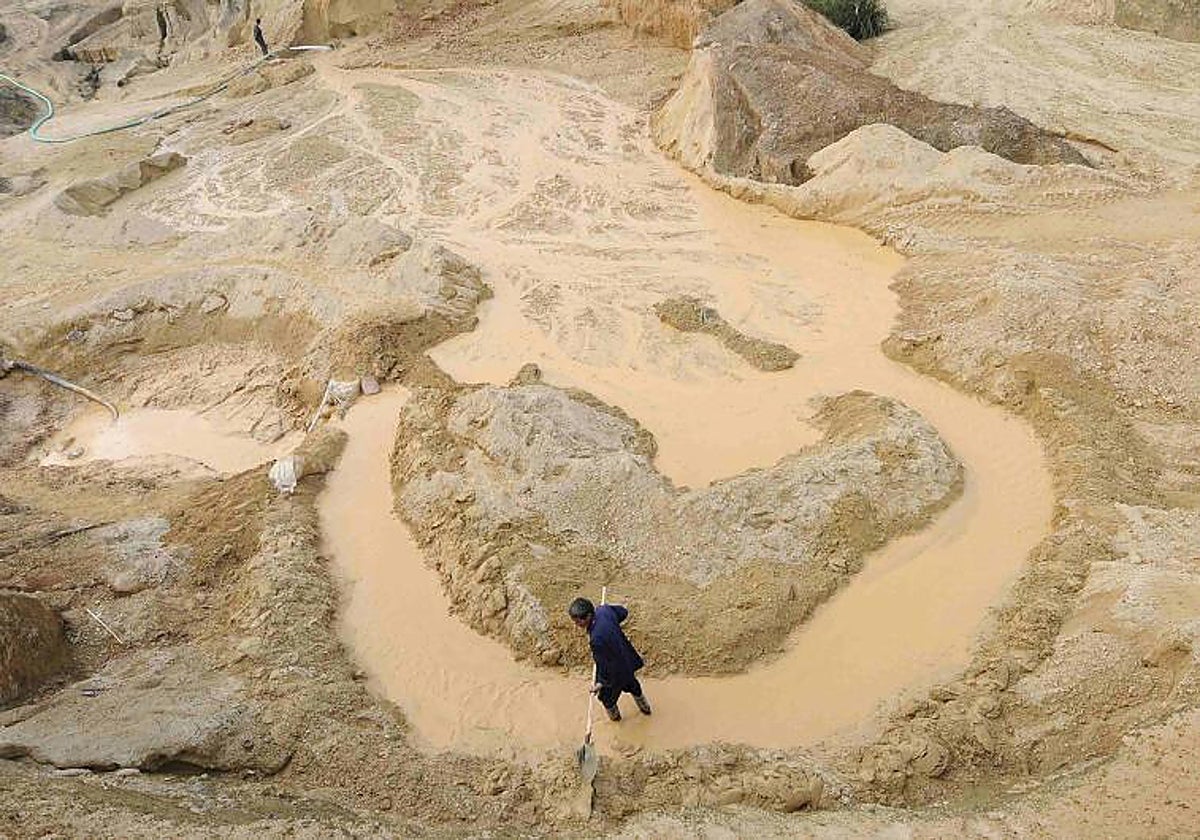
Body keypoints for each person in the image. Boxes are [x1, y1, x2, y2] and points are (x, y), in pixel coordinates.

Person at [569, 597, 651, 722]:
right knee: (633, 685)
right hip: (627, 660)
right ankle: (645, 707)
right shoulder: (604, 611)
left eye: (578, 621)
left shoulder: (596, 639)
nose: (576, 625)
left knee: (606, 698)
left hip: (615, 672)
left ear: (589, 616)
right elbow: (623, 612)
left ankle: (615, 717)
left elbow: (603, 666)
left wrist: (599, 683)